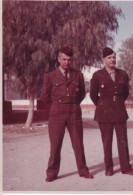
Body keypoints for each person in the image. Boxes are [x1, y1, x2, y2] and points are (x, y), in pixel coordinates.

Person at [40, 45, 93, 182]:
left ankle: (83, 170)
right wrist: (54, 109)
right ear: (58, 59)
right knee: (55, 145)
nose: (67, 62)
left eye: (69, 60)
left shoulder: (78, 74)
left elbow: (81, 93)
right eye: (64, 59)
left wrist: (72, 104)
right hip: (56, 113)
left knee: (78, 144)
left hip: (74, 112)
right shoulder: (50, 76)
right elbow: (44, 97)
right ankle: (52, 172)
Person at [90, 47, 133, 176]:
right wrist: (103, 105)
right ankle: (109, 168)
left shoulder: (123, 74)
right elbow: (93, 95)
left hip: (119, 111)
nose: (113, 60)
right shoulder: (97, 75)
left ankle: (126, 167)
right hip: (104, 113)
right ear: (104, 60)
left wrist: (116, 103)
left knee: (123, 141)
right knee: (107, 142)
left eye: (114, 57)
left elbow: (125, 93)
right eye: (109, 58)